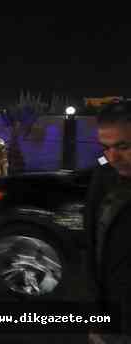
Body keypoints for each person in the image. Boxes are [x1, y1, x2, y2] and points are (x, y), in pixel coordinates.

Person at [84, 101, 131, 342]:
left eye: (123, 146)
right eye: (106, 147)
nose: (113, 157)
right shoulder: (104, 178)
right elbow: (94, 248)